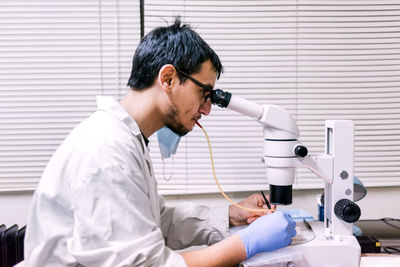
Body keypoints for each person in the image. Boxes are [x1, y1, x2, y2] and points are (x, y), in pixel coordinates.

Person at [24, 18, 296, 266]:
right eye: (205, 93)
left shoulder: (126, 139)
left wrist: (231, 214)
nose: (207, 109)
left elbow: (155, 222)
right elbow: (146, 265)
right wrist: (245, 244)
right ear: (168, 78)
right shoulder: (107, 152)